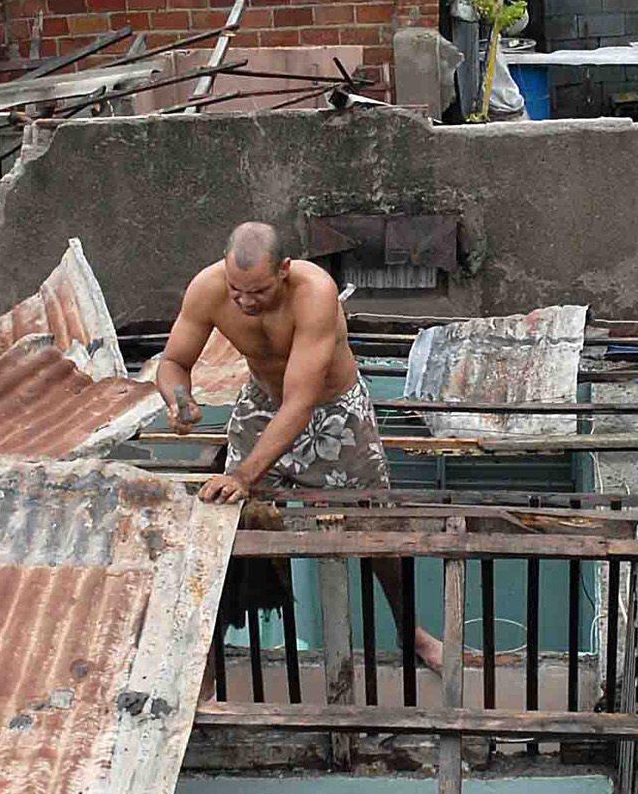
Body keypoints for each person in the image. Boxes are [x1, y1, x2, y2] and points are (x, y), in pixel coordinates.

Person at [154, 221, 441, 671]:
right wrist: (181, 399)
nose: (246, 302)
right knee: (226, 522)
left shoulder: (315, 293)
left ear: (285, 270)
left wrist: (243, 475)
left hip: (332, 411)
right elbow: (173, 361)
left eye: (259, 291)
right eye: (237, 291)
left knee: (377, 527)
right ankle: (206, 651)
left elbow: (301, 403)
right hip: (262, 403)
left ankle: (412, 634)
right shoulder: (207, 289)